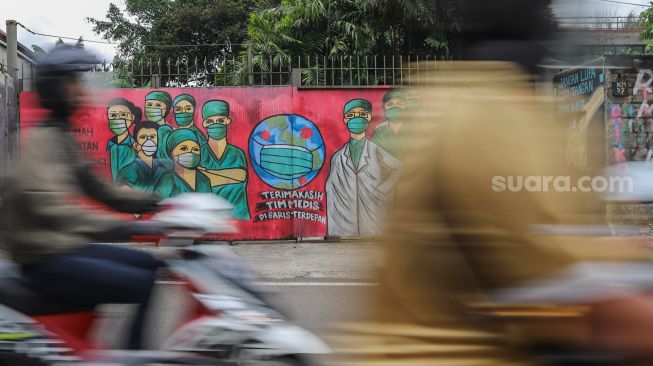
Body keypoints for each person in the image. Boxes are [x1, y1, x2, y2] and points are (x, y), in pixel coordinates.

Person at [2, 46, 166, 350]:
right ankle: (137, 354)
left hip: (63, 248)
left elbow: (98, 189)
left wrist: (157, 203)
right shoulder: (41, 141)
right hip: (45, 260)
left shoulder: (61, 135)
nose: (80, 89)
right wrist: (129, 229)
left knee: (149, 266)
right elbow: (58, 211)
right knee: (141, 282)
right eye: (73, 82)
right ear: (55, 88)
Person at [325, 98, 401, 237]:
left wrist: (382, 189)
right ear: (345, 119)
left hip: (372, 213)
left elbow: (399, 168)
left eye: (362, 114)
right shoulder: (338, 157)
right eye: (351, 115)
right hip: (346, 220)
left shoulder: (376, 151)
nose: (357, 118)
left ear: (369, 117)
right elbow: (331, 190)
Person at [198, 100, 250, 220]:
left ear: (227, 121)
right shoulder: (200, 152)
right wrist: (230, 176)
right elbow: (201, 182)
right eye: (210, 121)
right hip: (209, 218)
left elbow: (241, 176)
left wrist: (207, 172)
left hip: (239, 216)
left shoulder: (236, 153)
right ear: (204, 124)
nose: (215, 125)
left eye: (220, 120)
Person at [154, 129, 212, 198]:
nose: (191, 152)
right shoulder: (167, 179)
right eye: (184, 149)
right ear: (171, 152)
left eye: (195, 149)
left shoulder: (204, 180)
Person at [116, 121, 167, 195]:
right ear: (135, 145)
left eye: (152, 137)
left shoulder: (161, 167)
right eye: (143, 137)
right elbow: (123, 194)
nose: (149, 141)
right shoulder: (130, 170)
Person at [106, 98, 140, 181]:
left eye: (123, 115)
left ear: (132, 117)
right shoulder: (111, 145)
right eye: (113, 115)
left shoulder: (134, 146)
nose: (118, 119)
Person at [370, 90, 406, 158]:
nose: (395, 107)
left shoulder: (414, 129)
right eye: (390, 104)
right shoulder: (378, 133)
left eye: (399, 104)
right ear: (384, 107)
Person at [144, 90, 174, 160]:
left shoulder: (173, 133)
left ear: (166, 109)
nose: (152, 108)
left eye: (158, 105)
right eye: (149, 105)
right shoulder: (141, 132)